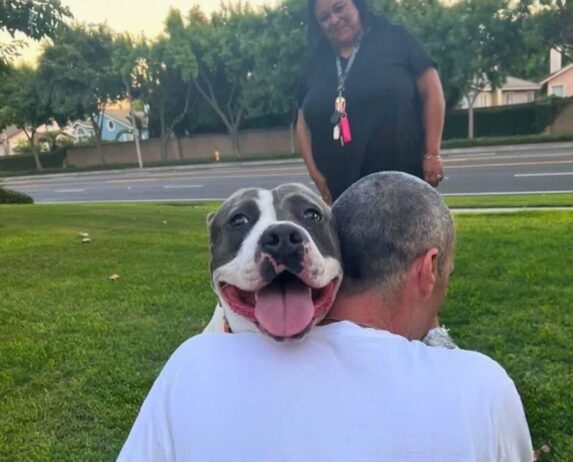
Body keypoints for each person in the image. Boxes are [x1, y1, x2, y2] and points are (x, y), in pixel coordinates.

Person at [118, 172, 533, 461]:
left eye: (310, 217)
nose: (280, 235)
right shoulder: (480, 384)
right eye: (241, 221)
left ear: (342, 248)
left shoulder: (189, 367)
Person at [296, 0, 446, 205]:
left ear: (357, 5)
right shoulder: (314, 63)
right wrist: (315, 174)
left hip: (402, 185)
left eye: (339, 8)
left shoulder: (394, 38)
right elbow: (302, 122)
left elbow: (432, 91)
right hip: (343, 194)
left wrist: (432, 153)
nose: (334, 20)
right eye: (324, 17)